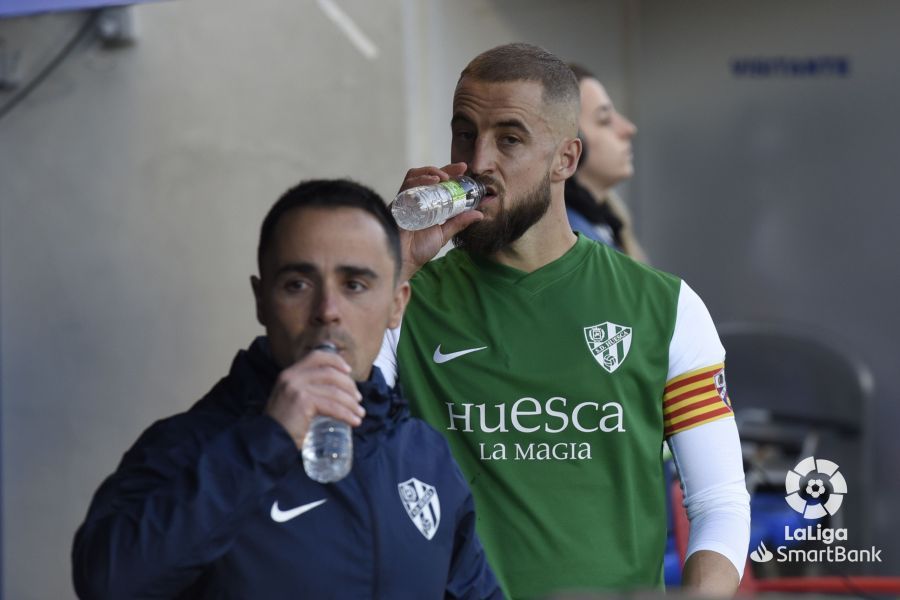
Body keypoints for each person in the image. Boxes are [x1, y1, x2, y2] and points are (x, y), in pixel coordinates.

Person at [375, 43, 750, 598]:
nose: (479, 161)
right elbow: (326, 440)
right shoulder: (402, 301)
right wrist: (390, 265)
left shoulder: (666, 306)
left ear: (566, 159)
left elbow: (719, 502)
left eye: (509, 139)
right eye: (464, 133)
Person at [72, 179, 502, 599]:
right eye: (298, 284)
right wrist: (267, 440)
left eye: (354, 285)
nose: (327, 311)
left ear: (396, 304)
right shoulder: (189, 445)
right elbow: (108, 582)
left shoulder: (424, 456)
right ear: (261, 300)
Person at [565, 62, 648, 262]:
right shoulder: (573, 243)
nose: (629, 129)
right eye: (605, 119)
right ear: (571, 146)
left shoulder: (606, 224)